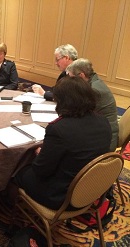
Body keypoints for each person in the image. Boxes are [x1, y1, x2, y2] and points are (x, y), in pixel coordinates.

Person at [13, 76, 112, 210]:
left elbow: (41, 170)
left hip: (63, 197)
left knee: (17, 171)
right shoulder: (103, 121)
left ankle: (10, 209)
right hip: (91, 189)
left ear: (64, 102)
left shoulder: (59, 129)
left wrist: (40, 154)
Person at [66, 58, 119, 151]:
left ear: (81, 75)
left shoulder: (94, 90)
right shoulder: (94, 81)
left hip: (105, 141)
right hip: (101, 132)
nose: (70, 82)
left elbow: (79, 114)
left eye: (72, 78)